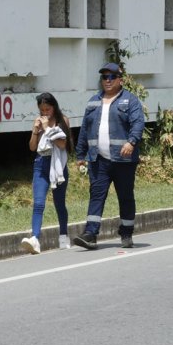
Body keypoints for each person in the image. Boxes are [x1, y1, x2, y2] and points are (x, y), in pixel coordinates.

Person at [73, 62, 145, 249]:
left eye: (112, 77)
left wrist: (131, 141)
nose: (108, 80)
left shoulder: (130, 100)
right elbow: (84, 129)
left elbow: (138, 123)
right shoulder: (93, 101)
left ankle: (126, 233)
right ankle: (90, 234)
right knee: (96, 195)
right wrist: (81, 153)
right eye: (104, 77)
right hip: (98, 160)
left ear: (120, 79)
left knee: (125, 196)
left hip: (123, 161)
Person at [22, 92, 72, 254]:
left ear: (54, 107)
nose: (44, 113)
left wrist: (47, 128)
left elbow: (62, 144)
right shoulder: (38, 122)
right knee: (38, 203)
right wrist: (36, 131)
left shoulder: (62, 120)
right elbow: (32, 147)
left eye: (47, 109)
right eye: (42, 110)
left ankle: (63, 236)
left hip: (57, 165)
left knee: (59, 203)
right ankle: (35, 238)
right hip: (41, 164)